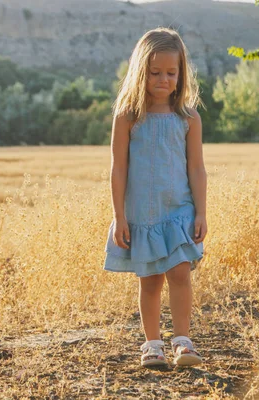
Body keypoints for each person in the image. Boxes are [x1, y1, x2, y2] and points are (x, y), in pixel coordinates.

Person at [104, 27, 207, 367]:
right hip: (142, 216)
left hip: (179, 211)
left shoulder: (188, 117)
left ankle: (183, 342)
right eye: (155, 73)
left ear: (181, 74)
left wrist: (201, 213)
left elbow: (196, 169)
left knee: (180, 274)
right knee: (150, 283)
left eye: (171, 73)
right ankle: (153, 345)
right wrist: (119, 216)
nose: (164, 79)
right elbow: (118, 169)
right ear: (141, 72)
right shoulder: (128, 116)